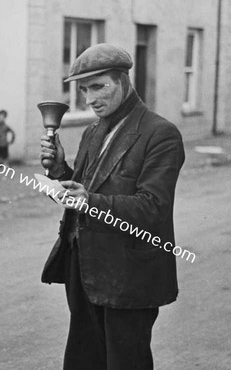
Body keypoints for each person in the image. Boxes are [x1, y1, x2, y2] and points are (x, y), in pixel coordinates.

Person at [40, 43, 185, 370]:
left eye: (98, 87)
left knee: (124, 363)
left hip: (129, 276)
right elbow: (85, 188)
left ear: (123, 81)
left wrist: (88, 200)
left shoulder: (160, 134)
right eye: (84, 90)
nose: (90, 99)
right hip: (86, 270)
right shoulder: (93, 131)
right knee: (83, 359)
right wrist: (60, 172)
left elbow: (152, 208)